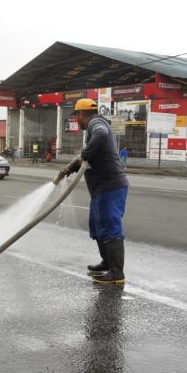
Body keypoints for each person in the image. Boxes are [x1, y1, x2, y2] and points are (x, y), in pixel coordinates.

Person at [61, 98, 129, 284]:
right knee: (98, 226)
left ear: (81, 114)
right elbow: (86, 158)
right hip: (101, 188)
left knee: (110, 226)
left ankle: (117, 273)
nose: (77, 119)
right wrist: (70, 168)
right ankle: (107, 263)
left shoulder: (96, 124)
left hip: (110, 187)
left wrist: (84, 155)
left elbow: (99, 136)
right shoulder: (94, 125)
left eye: (76, 115)